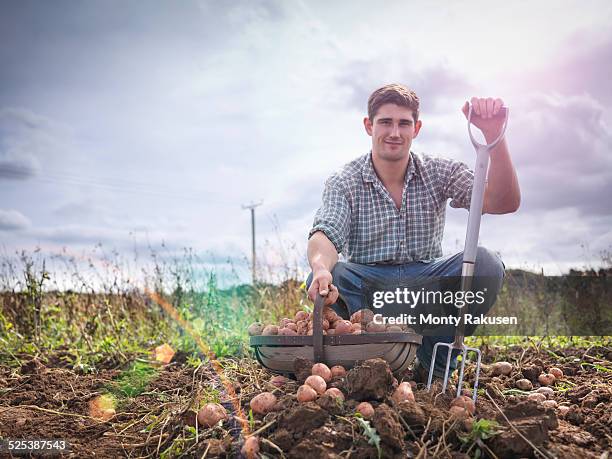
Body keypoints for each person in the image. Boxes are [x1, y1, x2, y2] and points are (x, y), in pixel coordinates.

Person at [306, 83, 520, 381]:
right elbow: (326, 233)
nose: (394, 132)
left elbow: (503, 201)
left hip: (426, 285)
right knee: (334, 275)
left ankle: (437, 364)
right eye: (385, 122)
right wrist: (319, 267)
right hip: (369, 289)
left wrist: (494, 136)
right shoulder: (344, 181)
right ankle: (364, 367)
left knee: (486, 263)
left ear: (416, 128)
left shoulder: (438, 171)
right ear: (369, 126)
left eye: (404, 123)